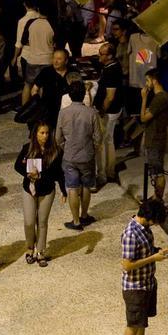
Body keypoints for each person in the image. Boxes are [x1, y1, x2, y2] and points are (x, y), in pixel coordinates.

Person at [119, 198, 168, 335]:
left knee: (142, 322)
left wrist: (158, 251)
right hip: (135, 287)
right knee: (133, 325)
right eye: (155, 221)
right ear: (149, 217)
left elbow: (145, 251)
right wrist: (153, 258)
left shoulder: (145, 229)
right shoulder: (131, 234)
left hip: (147, 283)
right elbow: (127, 265)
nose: (156, 224)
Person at [14, 122, 66, 267]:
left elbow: (58, 173)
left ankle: (41, 251)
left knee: (42, 222)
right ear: (35, 134)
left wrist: (63, 190)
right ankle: (29, 248)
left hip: (47, 190)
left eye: (47, 133)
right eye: (42, 133)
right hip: (29, 189)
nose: (45, 136)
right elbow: (17, 165)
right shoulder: (27, 148)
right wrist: (27, 173)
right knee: (29, 222)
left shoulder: (56, 151)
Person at [56, 79, 100, 231]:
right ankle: (85, 215)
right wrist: (92, 148)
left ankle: (75, 221)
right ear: (83, 95)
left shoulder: (63, 113)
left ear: (69, 95)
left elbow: (58, 137)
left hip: (70, 155)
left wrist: (65, 147)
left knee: (72, 188)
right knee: (86, 186)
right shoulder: (91, 113)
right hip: (87, 155)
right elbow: (98, 137)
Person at [93, 42, 124, 186]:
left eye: (101, 54)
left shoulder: (112, 71)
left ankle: (103, 174)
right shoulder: (110, 67)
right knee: (108, 140)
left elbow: (110, 96)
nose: (99, 55)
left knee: (101, 143)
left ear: (110, 56)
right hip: (112, 110)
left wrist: (101, 111)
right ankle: (110, 170)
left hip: (109, 112)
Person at [139, 68, 168, 201]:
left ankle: (158, 200)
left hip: (155, 139)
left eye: (147, 80)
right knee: (155, 170)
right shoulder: (161, 97)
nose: (146, 84)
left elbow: (143, 118)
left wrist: (144, 99)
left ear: (154, 80)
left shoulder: (160, 99)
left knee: (158, 172)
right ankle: (156, 197)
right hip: (156, 137)